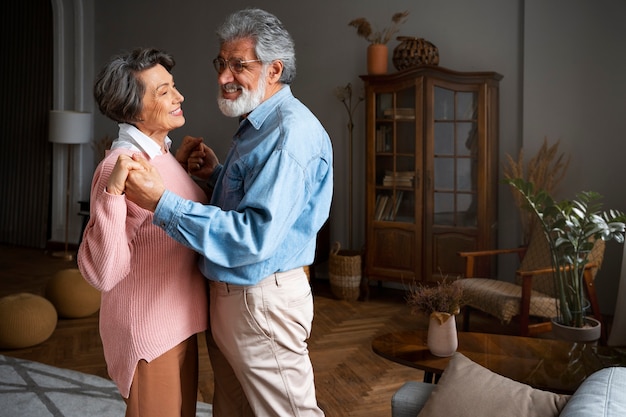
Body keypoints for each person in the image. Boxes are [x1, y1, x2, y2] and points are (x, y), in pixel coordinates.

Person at [122, 8, 332, 417]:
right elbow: (258, 205)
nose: (223, 76)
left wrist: (162, 203)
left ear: (274, 70)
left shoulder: (290, 134)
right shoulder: (257, 124)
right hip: (237, 302)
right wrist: (217, 177)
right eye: (221, 63)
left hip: (261, 303)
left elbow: (253, 236)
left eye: (239, 65)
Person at [77, 47, 209, 417]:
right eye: (164, 91)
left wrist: (182, 169)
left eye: (174, 86)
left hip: (179, 320)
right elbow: (104, 273)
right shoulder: (118, 167)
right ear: (133, 109)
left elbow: (158, 218)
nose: (179, 96)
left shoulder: (159, 155)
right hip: (149, 331)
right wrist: (110, 195)